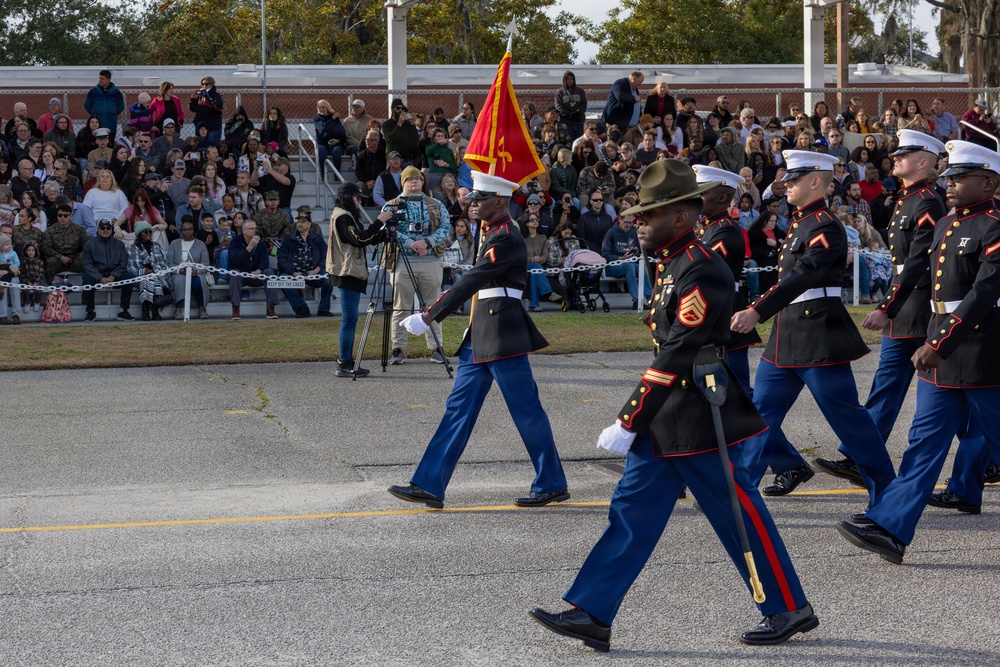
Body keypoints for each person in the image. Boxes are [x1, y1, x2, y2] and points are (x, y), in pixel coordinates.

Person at [530, 160, 816, 652]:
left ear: (682, 216)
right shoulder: (675, 263)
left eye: (649, 215)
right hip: (670, 411)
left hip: (700, 411)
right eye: (638, 215)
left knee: (737, 513)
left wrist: (628, 418)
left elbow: (680, 349)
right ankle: (593, 611)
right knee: (632, 509)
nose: (638, 223)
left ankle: (788, 607)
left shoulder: (701, 267)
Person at [836, 140, 1000, 563]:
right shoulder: (945, 224)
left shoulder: (995, 226)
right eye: (948, 176)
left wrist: (938, 344)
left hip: (982, 352)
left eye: (960, 177)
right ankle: (890, 527)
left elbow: (983, 293)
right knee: (923, 444)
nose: (950, 183)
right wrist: (931, 338)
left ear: (988, 182)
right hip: (940, 348)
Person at [388, 170, 570, 509]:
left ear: (499, 202)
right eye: (473, 198)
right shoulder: (493, 232)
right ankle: (429, 483)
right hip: (482, 333)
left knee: (526, 410)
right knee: (458, 409)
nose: (473, 203)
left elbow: (474, 279)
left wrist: (429, 315)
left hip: (502, 333)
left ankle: (551, 482)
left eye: (480, 199)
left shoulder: (506, 236)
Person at [731, 150, 896, 505]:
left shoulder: (824, 224)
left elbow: (804, 275)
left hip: (818, 332)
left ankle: (888, 495)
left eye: (794, 179)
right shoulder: (801, 222)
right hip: (787, 333)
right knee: (760, 415)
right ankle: (740, 493)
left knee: (848, 419)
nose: (786, 185)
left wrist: (757, 310)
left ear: (816, 181)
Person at [694, 165, 762, 394]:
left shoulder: (726, 230)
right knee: (711, 389)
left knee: (737, 389)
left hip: (725, 309)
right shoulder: (708, 228)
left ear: (722, 197)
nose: (696, 198)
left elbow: (702, 270)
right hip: (711, 307)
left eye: (702, 193)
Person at [382, 166, 452, 365]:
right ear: (402, 182)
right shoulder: (391, 205)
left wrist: (427, 242)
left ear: (422, 181)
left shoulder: (436, 204)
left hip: (431, 261)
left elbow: (445, 227)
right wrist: (412, 244)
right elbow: (387, 228)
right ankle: (398, 348)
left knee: (433, 307)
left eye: (417, 178)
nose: (414, 181)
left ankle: (436, 348)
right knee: (401, 307)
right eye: (409, 179)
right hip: (402, 261)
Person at [327, 182, 385, 377]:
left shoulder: (345, 215)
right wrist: (379, 222)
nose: (359, 202)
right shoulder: (343, 217)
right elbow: (359, 239)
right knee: (349, 320)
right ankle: (344, 362)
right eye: (357, 198)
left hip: (348, 270)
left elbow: (366, 238)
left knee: (350, 319)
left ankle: (347, 360)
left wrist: (384, 232)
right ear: (347, 198)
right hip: (347, 272)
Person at [277, 207, 334, 318]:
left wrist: (317, 270)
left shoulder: (317, 238)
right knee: (283, 279)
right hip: (294, 274)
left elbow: (326, 256)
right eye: (298, 221)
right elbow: (282, 258)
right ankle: (301, 308)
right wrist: (293, 272)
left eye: (303, 222)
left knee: (329, 278)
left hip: (314, 273)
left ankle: (323, 309)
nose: (300, 224)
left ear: (309, 224)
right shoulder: (289, 239)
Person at [81, 218, 134, 322]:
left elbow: (123, 264)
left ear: (112, 229)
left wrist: (113, 276)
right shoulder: (89, 244)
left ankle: (123, 310)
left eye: (108, 228)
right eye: (102, 228)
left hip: (114, 274)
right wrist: (100, 278)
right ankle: (90, 311)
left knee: (128, 279)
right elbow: (87, 265)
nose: (105, 230)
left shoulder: (119, 244)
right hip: (97, 274)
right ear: (98, 230)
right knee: (87, 281)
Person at [227, 219, 279, 320]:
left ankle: (271, 308)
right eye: (251, 229)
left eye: (255, 228)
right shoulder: (235, 242)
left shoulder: (260, 244)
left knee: (269, 272)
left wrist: (259, 270)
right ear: (244, 230)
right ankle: (236, 309)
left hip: (256, 274)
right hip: (241, 275)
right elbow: (236, 260)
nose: (254, 231)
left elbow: (265, 261)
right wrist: (250, 247)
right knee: (234, 274)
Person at [599, 212, 648, 309]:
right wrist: (621, 258)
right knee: (630, 267)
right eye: (626, 222)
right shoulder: (611, 233)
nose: (628, 225)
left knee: (641, 268)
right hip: (612, 266)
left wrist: (633, 254)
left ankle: (650, 298)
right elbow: (605, 254)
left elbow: (639, 252)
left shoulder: (633, 233)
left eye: (630, 222)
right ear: (619, 219)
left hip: (630, 263)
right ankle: (636, 300)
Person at [41, 202, 88, 282]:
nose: (62, 218)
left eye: (65, 216)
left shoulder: (79, 230)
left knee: (87, 263)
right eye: (60, 215)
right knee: (49, 263)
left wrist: (83, 252)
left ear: (70, 216)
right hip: (56, 258)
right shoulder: (50, 231)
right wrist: (60, 257)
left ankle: (87, 287)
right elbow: (46, 248)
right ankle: (51, 288)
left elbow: (87, 244)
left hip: (74, 258)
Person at [83, 70, 125, 140]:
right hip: (97, 126)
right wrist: (95, 113)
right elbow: (87, 105)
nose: (100, 80)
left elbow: (121, 106)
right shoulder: (93, 91)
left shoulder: (116, 92)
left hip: (111, 125)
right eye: (99, 78)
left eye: (102, 79)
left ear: (108, 79)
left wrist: (112, 113)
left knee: (110, 143)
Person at [314, 99, 347, 178]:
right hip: (323, 144)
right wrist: (332, 119)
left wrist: (338, 140)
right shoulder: (317, 119)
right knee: (321, 150)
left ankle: (337, 176)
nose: (321, 109)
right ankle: (323, 175)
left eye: (323, 107)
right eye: (319, 108)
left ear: (327, 108)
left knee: (337, 150)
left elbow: (342, 134)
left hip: (335, 144)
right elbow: (323, 128)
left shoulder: (335, 119)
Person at [189, 76, 224, 145]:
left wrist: (207, 97)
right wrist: (192, 99)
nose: (204, 86)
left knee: (212, 146)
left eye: (206, 84)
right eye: (202, 84)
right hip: (201, 127)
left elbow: (217, 109)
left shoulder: (216, 96)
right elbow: (193, 109)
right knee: (200, 146)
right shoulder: (200, 96)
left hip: (213, 127)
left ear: (211, 84)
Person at [554, 70, 588, 139]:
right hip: (565, 123)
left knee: (579, 143)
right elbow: (559, 107)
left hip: (578, 122)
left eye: (571, 79)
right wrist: (569, 115)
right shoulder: (559, 93)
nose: (570, 81)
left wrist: (577, 113)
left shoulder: (580, 91)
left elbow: (584, 103)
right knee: (566, 143)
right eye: (568, 79)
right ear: (564, 80)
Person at [0, 232, 23, 324]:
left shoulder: (15, 252)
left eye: (10, 233)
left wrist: (8, 270)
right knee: (2, 288)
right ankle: (3, 315)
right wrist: (9, 267)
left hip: (12, 275)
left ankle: (16, 315)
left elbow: (18, 266)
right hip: (1, 276)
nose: (9, 246)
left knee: (14, 283)